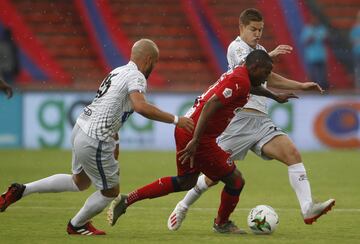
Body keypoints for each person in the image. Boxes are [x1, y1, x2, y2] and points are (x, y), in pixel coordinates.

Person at [0, 39, 194, 236]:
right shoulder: (137, 77)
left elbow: (108, 106)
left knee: (79, 182)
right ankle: (77, 225)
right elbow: (141, 106)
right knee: (111, 192)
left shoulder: (117, 71)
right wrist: (176, 119)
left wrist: (115, 139)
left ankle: (23, 189)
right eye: (155, 62)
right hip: (95, 139)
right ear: (148, 59)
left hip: (81, 127)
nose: (154, 67)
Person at [167, 8, 335, 232]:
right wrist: (271, 57)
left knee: (292, 154)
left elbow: (269, 77)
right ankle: (183, 206)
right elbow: (248, 76)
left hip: (261, 121)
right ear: (241, 28)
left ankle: (307, 208)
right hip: (237, 120)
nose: (257, 34)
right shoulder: (236, 48)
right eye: (253, 29)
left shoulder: (261, 50)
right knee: (211, 177)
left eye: (261, 30)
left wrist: (301, 85)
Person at [107, 49, 297, 234]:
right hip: (197, 136)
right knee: (235, 180)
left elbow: (252, 87)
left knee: (186, 181)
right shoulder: (239, 80)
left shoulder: (242, 77)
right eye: (265, 73)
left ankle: (127, 199)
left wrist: (275, 96)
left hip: (186, 130)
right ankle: (222, 224)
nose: (266, 78)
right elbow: (210, 105)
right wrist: (196, 141)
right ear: (254, 67)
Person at [300, 15, 329, 89]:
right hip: (312, 55)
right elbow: (305, 42)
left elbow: (327, 41)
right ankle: (314, 87)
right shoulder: (308, 29)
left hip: (321, 55)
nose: (315, 22)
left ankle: (322, 86)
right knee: (313, 72)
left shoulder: (322, 29)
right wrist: (311, 38)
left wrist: (324, 38)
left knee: (322, 73)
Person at [350, 10, 360, 89]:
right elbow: (352, 40)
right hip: (357, 51)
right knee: (357, 69)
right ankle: (358, 85)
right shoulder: (355, 28)